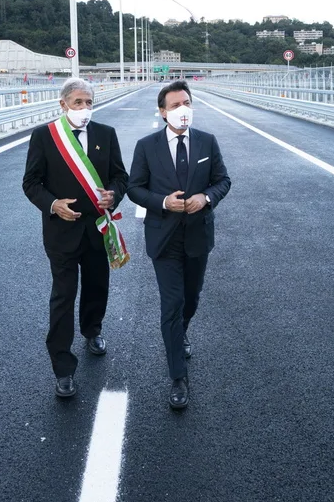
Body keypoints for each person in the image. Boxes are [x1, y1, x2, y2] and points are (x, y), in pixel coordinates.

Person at [127, 80, 231, 410]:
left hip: (198, 235)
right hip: (164, 237)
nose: (182, 109)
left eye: (186, 102)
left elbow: (223, 181)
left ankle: (181, 331)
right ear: (162, 112)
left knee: (191, 297)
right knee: (171, 304)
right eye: (174, 106)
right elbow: (134, 188)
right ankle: (178, 376)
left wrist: (207, 197)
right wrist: (162, 203)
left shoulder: (207, 142)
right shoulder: (147, 146)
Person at [22, 78, 129, 398]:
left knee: (97, 286)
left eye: (89, 103)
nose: (84, 108)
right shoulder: (45, 136)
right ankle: (63, 366)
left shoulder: (105, 135)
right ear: (63, 104)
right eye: (78, 102)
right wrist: (53, 205)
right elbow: (31, 183)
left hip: (98, 228)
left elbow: (120, 176)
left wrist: (114, 196)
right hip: (61, 233)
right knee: (63, 296)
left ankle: (92, 330)